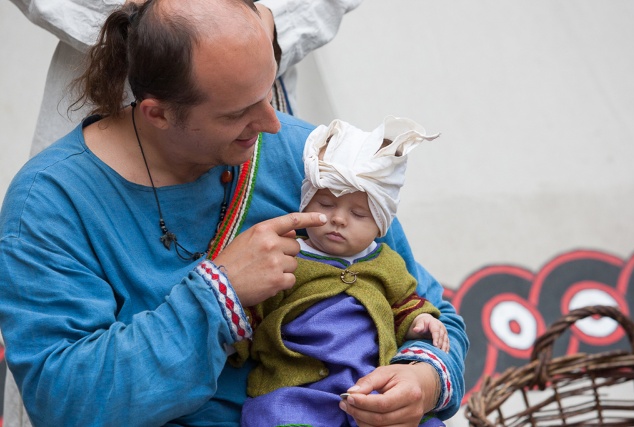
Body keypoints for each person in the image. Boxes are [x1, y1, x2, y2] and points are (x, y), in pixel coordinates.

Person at [0, 1, 468, 426]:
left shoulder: (314, 160)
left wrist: (423, 379)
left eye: (268, 93)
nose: (270, 122)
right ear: (157, 113)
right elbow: (63, 400)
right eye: (237, 113)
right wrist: (218, 294)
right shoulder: (50, 203)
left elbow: (429, 310)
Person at [237, 116, 449, 427]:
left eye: (358, 213)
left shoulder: (386, 262)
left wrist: (421, 320)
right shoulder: (286, 253)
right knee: (277, 415)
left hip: (369, 386)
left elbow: (404, 303)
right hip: (298, 384)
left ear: (380, 226)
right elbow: (255, 304)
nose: (338, 219)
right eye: (324, 203)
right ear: (305, 203)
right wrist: (235, 339)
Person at [8, 0, 363, 157]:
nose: (270, 125)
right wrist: (142, 20)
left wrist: (267, 21)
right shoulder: (54, 193)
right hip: (112, 84)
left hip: (256, 61)